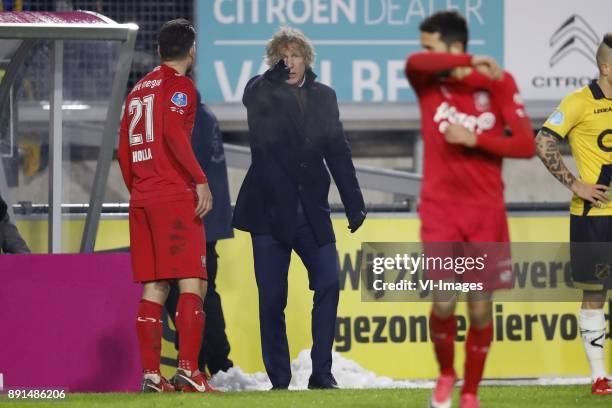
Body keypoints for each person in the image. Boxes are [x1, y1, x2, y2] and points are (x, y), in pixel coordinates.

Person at [404, 11, 535, 408]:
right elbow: (414, 63)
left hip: (484, 211)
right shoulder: (428, 81)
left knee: (479, 308)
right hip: (441, 209)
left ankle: (472, 393)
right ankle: (446, 374)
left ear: (455, 45)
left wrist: (475, 138)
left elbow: (526, 145)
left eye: (431, 45)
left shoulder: (498, 82)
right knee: (444, 300)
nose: (423, 52)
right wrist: (466, 61)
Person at [233, 26, 366, 390]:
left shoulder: (325, 96)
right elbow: (251, 98)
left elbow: (338, 150)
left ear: (307, 59)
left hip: (311, 212)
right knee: (272, 299)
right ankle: (279, 380)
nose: (288, 62)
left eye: (294, 55)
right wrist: (268, 79)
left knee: (328, 283)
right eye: (282, 55)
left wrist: (353, 202)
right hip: (268, 212)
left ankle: (321, 372)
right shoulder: (261, 91)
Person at [117, 19, 215, 393]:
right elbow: (174, 133)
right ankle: (189, 371)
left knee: (155, 285)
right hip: (174, 195)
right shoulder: (181, 87)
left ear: (159, 51)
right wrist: (200, 179)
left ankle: (152, 376)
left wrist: (140, 190)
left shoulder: (137, 92)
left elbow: (124, 153)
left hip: (142, 197)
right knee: (193, 279)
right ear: (192, 51)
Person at [535, 33, 612, 396]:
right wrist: (575, 183)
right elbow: (543, 140)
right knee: (595, 293)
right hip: (594, 216)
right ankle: (600, 378)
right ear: (606, 67)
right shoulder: (579, 102)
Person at [165, 90, 235, 376]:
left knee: (184, 293)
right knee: (203, 293)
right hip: (204, 221)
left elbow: (186, 169)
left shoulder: (189, 117)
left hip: (191, 221)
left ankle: (199, 360)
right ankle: (211, 361)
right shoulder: (203, 114)